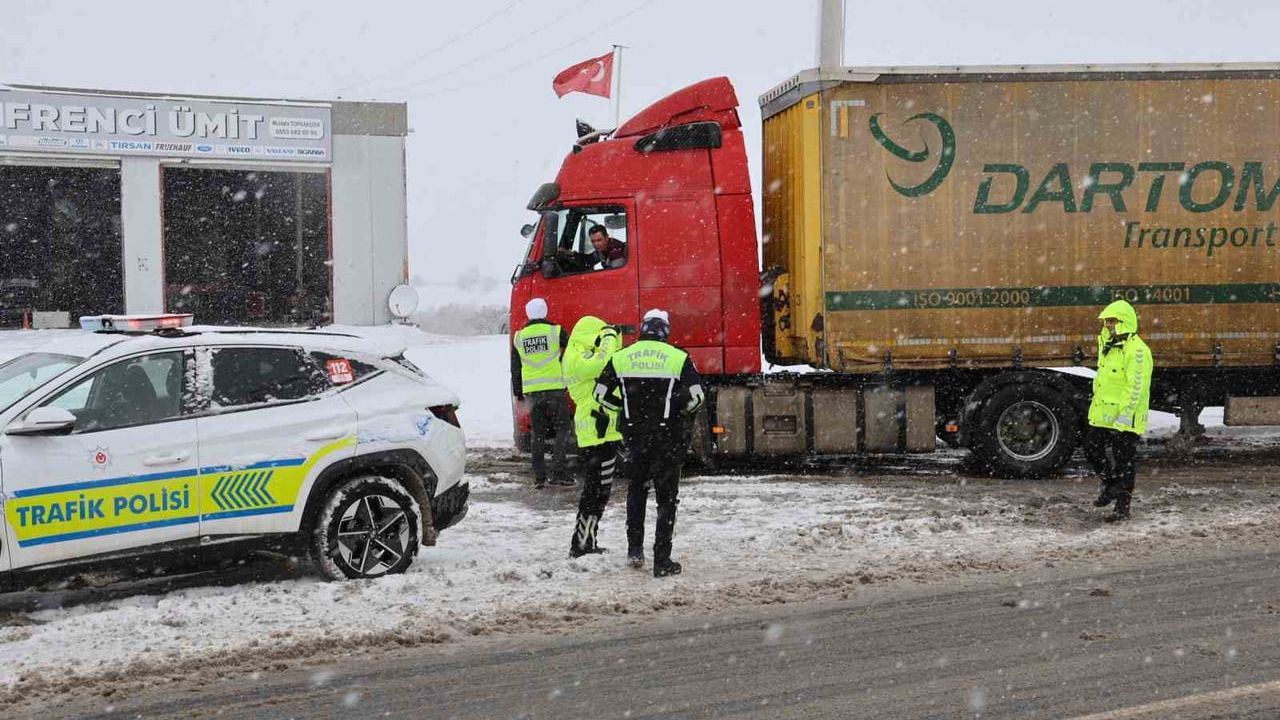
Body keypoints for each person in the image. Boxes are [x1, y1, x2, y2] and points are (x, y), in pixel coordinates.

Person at [594, 309, 704, 577]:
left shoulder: (620, 358)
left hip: (635, 438)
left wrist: (623, 410)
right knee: (667, 499)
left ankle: (634, 550)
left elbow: (600, 395)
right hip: (668, 439)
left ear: (643, 329)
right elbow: (698, 397)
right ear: (665, 330)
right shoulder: (678, 358)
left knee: (637, 491)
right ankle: (662, 560)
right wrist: (679, 411)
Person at [562, 316, 624, 557]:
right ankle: (581, 544)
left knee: (599, 490)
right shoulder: (578, 356)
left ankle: (587, 541)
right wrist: (609, 336)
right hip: (597, 433)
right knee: (595, 491)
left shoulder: (577, 353)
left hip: (600, 431)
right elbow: (604, 362)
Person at [1087, 299, 1153, 522]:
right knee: (1092, 449)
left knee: (1124, 460)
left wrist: (1123, 420)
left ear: (1124, 322)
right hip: (1104, 414)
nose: (1107, 325)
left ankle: (1122, 507)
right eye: (1106, 321)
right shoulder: (1108, 347)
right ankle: (1110, 485)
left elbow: (1135, 388)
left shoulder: (1137, 351)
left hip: (1126, 417)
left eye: (1112, 321)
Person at [511, 297, 573, 488]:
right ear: (545, 312)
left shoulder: (519, 337)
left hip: (532, 392)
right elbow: (571, 354)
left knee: (537, 433)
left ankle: (539, 477)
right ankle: (558, 472)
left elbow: (516, 368)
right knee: (563, 429)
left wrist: (518, 392)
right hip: (555, 389)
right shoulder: (556, 331)